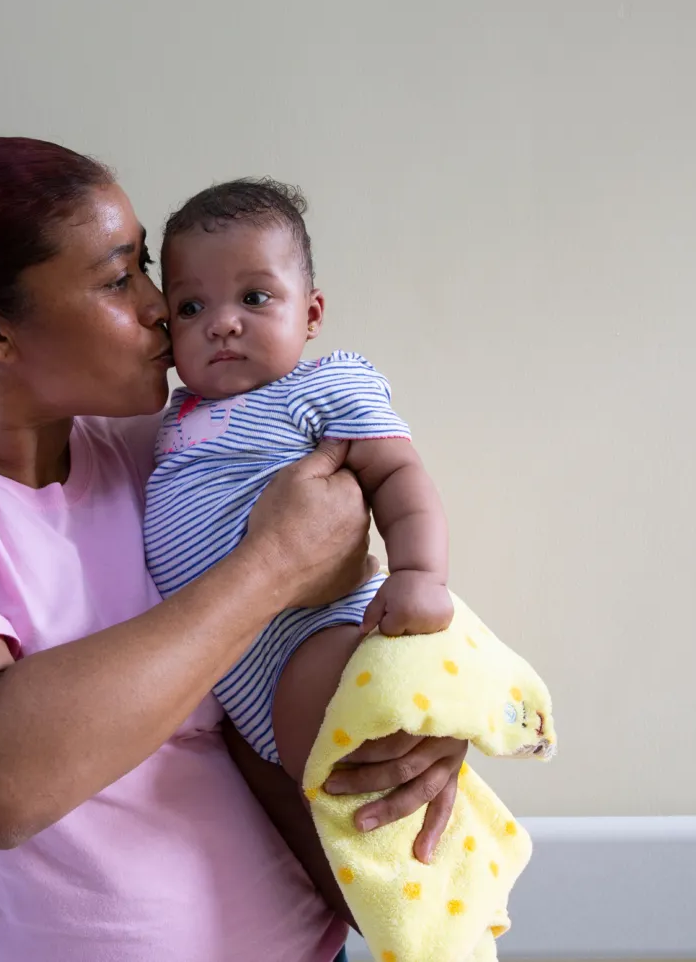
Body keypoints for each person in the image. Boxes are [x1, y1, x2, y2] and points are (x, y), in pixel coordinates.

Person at [0, 137, 463, 962]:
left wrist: (395, 720)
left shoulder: (164, 449)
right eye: (118, 277)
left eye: (147, 274)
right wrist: (268, 566)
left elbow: (335, 558)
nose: (162, 308)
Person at [147, 179, 466, 854]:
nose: (222, 321)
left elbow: (401, 477)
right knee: (319, 806)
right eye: (191, 305)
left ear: (311, 312)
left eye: (254, 297)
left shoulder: (321, 387)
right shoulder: (170, 418)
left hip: (317, 634)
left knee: (363, 795)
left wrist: (419, 573)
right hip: (236, 676)